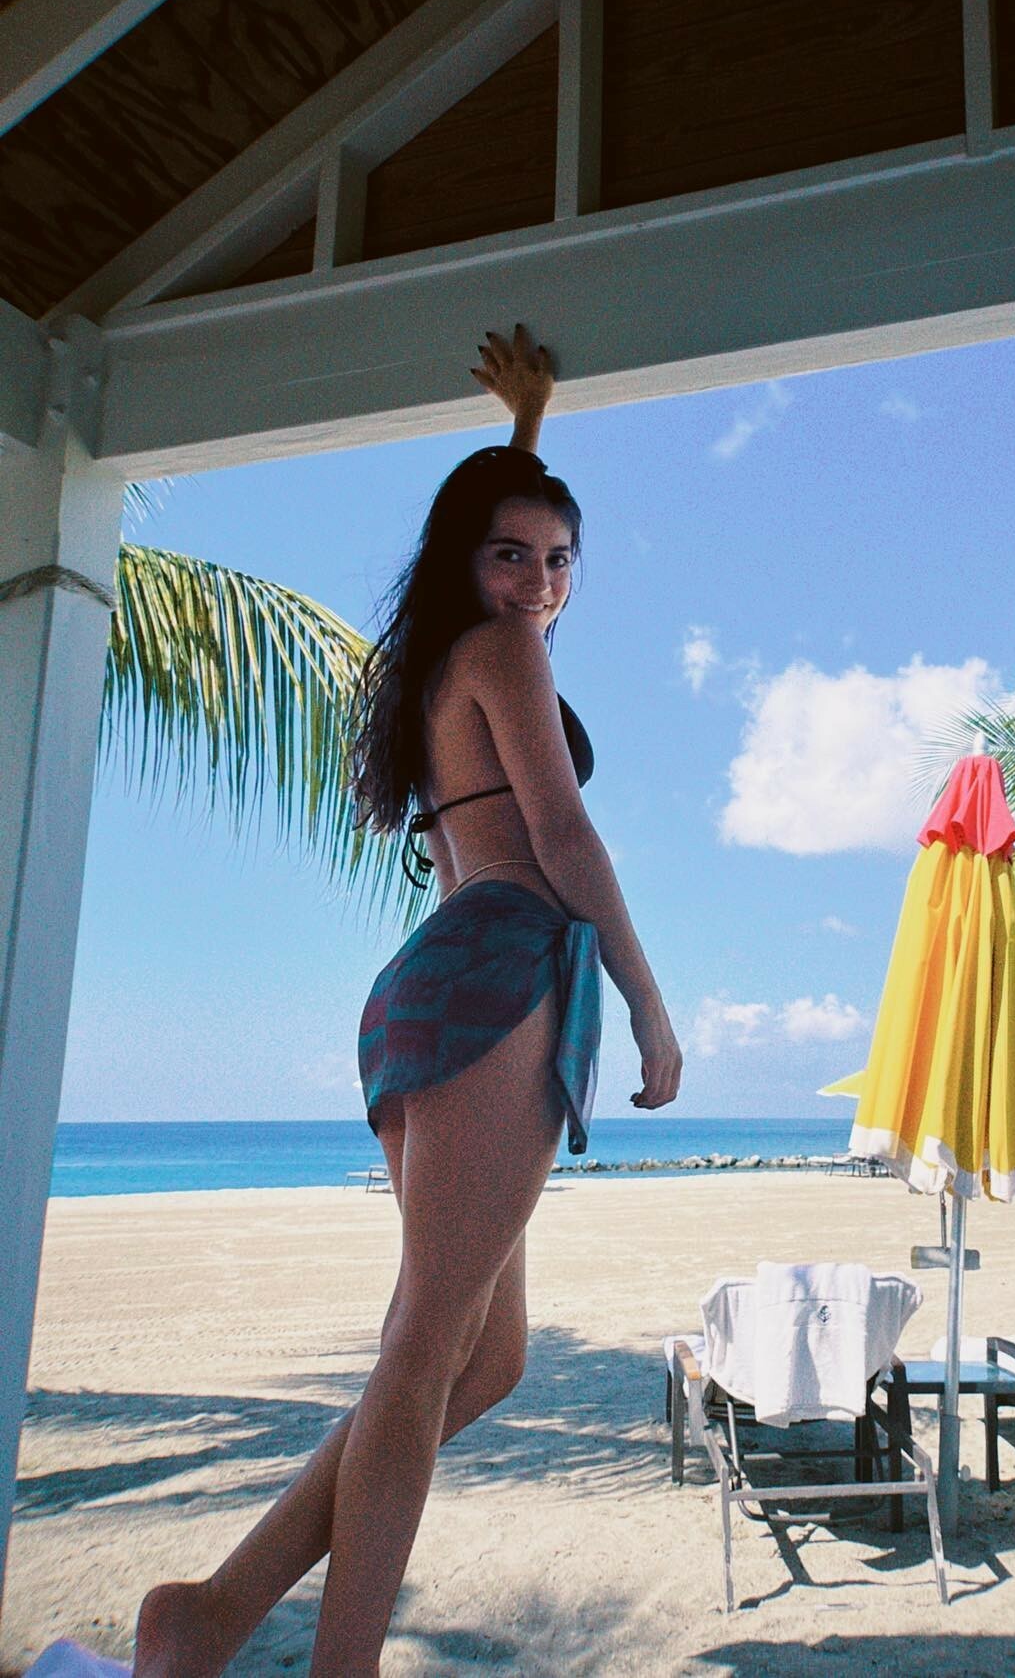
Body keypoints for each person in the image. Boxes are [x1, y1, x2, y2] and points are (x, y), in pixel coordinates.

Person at [135, 326, 682, 1676]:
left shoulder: (445, 663)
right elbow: (564, 838)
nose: (540, 582)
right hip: (502, 974)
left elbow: (491, 532)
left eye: (560, 560)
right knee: (427, 1346)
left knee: (479, 1362)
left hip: (433, 993)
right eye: (514, 557)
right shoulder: (503, 649)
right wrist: (649, 1002)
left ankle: (211, 1614)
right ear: (466, 564)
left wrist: (528, 426)